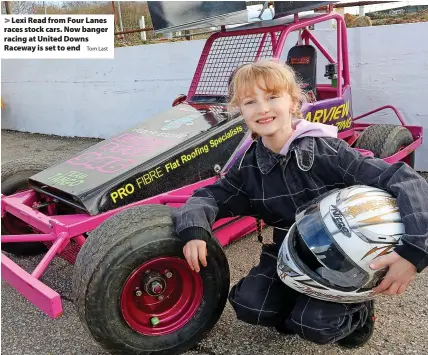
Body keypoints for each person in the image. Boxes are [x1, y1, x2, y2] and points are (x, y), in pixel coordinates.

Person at [171, 59, 428, 347]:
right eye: (250, 101)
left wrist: (414, 253)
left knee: (314, 324)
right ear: (239, 111)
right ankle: (297, 307)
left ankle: (359, 315)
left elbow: (405, 179)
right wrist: (194, 231)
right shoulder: (249, 166)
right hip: (287, 253)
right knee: (250, 305)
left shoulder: (326, 150)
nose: (262, 108)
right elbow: (207, 196)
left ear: (293, 102)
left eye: (272, 97)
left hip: (340, 262)